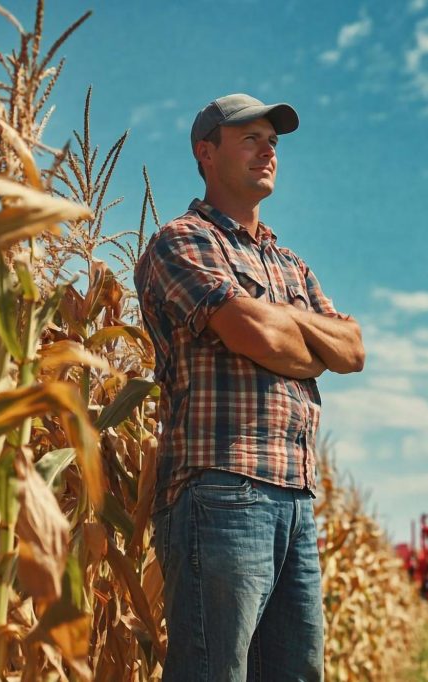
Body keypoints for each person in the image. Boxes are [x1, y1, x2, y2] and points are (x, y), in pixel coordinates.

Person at [134, 93, 365, 681]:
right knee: (216, 671)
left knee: (296, 673)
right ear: (205, 153)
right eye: (250, 139)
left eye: (273, 142)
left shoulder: (290, 264)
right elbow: (253, 334)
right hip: (223, 485)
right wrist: (304, 341)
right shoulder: (181, 241)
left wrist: (287, 327)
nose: (268, 152)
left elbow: (354, 350)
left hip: (295, 494)